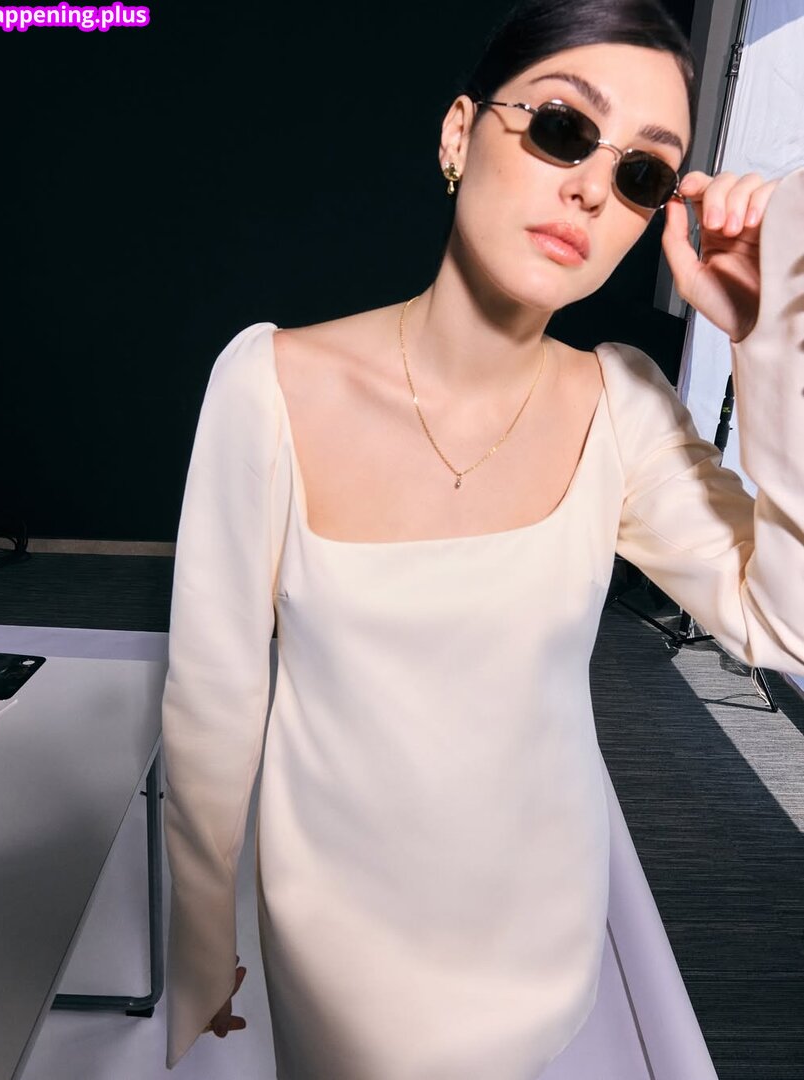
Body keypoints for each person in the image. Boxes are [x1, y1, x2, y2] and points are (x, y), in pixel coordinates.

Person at [161, 0, 804, 1076]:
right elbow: (212, 701)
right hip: (339, 944)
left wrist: (771, 336)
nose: (591, 188)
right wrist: (198, 941)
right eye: (562, 127)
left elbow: (784, 629)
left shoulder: (621, 405)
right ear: (460, 133)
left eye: (642, 173)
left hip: (540, 929)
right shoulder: (269, 382)